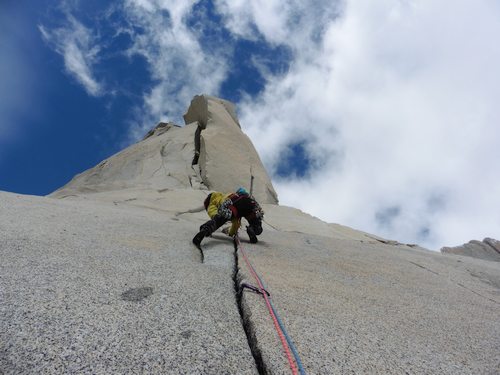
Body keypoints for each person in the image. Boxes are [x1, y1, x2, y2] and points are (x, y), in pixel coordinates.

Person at [192, 187, 264, 247]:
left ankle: (206, 229)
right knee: (255, 220)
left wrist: (216, 219)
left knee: (220, 219)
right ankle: (254, 229)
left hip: (233, 204)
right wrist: (232, 232)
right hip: (249, 203)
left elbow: (214, 213)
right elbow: (236, 223)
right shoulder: (228, 194)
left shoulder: (213, 203)